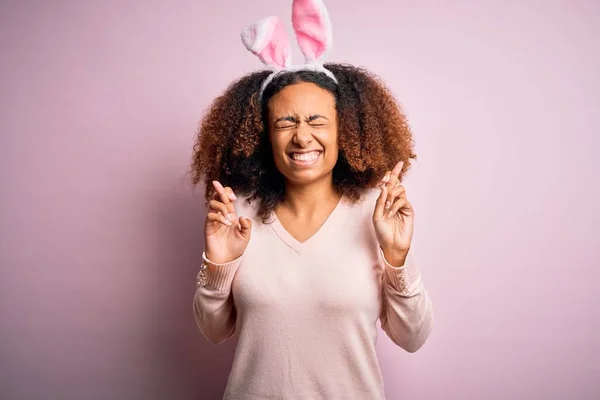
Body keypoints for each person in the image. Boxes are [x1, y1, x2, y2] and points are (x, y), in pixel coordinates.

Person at [191, 1, 433, 398]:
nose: (302, 137)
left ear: (346, 130)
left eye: (317, 120)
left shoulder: (378, 217)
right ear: (264, 137)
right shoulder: (239, 216)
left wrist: (397, 256)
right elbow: (213, 331)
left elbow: (413, 337)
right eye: (285, 123)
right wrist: (217, 264)